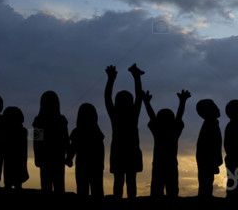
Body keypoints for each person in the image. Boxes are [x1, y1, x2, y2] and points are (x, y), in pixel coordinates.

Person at [104, 64, 145, 199]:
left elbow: (107, 98)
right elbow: (139, 97)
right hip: (131, 151)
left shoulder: (115, 115)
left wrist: (111, 79)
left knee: (119, 182)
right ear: (130, 102)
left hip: (118, 151)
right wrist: (136, 77)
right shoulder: (133, 114)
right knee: (131, 182)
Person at [144, 87, 190, 198]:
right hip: (170, 165)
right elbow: (178, 118)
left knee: (158, 191)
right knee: (171, 191)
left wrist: (147, 103)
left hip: (160, 165)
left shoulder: (159, 131)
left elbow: (153, 117)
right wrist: (182, 101)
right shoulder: (173, 132)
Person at [33, 90, 69, 194]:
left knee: (46, 187)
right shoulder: (62, 120)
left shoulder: (38, 120)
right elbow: (66, 141)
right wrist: (68, 156)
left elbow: (36, 142)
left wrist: (37, 158)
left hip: (45, 159)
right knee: (59, 187)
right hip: (58, 158)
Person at [66, 103, 105, 198]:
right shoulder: (97, 133)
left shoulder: (77, 132)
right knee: (97, 190)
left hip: (82, 165)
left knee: (83, 190)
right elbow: (101, 151)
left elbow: (72, 147)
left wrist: (69, 159)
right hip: (95, 166)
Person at [195, 99, 222, 198]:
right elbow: (210, 145)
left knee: (208, 180)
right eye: (214, 107)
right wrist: (215, 160)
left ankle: (206, 195)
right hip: (206, 159)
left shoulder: (213, 124)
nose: (217, 108)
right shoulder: (210, 125)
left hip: (208, 159)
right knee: (206, 180)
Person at [223, 99, 238, 200]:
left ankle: (235, 194)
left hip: (237, 160)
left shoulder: (233, 127)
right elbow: (230, 146)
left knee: (237, 180)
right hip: (234, 160)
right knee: (234, 181)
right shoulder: (232, 127)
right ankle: (233, 196)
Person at [1, 105, 28, 191]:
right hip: (19, 158)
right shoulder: (23, 131)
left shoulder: (5, 131)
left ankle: (10, 184)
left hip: (12, 158)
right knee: (16, 177)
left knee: (10, 174)